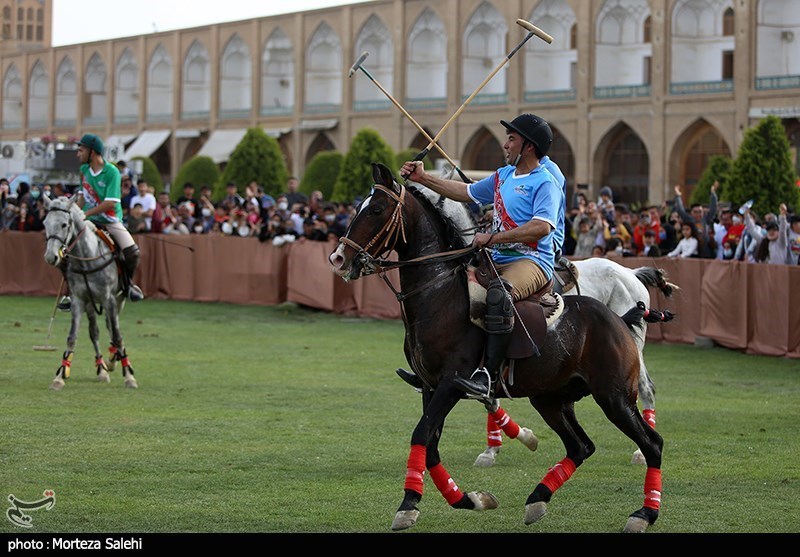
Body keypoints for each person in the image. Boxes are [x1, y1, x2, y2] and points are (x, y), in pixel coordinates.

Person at [400, 113, 560, 403]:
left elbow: (542, 227)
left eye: (512, 139)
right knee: (451, 288)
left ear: (529, 146)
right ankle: (435, 367)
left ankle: (488, 376)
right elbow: (466, 192)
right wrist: (423, 178)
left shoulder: (545, 181)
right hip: (495, 257)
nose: (506, 144)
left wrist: (493, 238)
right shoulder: (504, 176)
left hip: (532, 261)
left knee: (499, 296)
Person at [58, 134, 144, 311]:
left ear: (92, 152)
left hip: (111, 220)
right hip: (88, 221)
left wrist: (85, 213)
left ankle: (128, 285)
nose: (78, 153)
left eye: (81, 150)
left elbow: (110, 202)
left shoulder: (112, 172)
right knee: (63, 251)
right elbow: (82, 198)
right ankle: (70, 293)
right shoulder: (84, 170)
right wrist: (75, 213)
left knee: (133, 252)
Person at [674, 182, 717, 258]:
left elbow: (713, 209)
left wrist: (713, 194)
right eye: (695, 212)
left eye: (700, 212)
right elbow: (680, 210)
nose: (698, 214)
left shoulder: (706, 219)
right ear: (691, 213)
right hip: (692, 252)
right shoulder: (689, 219)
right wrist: (678, 196)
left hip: (706, 251)